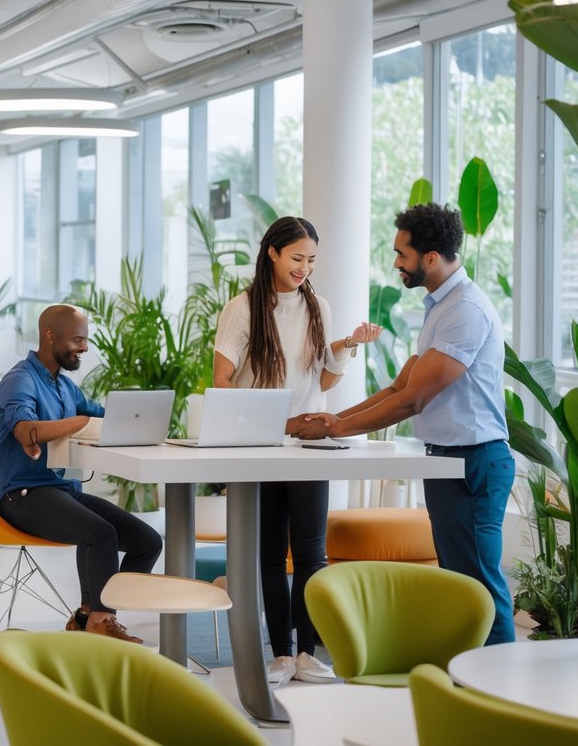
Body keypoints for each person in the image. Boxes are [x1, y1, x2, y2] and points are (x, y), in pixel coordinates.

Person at [290, 202, 516, 646]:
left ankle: (500, 697)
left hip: (474, 464)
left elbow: (413, 400)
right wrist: (336, 417)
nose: (396, 263)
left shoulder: (464, 309)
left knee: (481, 588)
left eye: (402, 254)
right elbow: (398, 387)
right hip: (449, 463)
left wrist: (335, 430)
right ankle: (466, 687)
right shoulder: (441, 305)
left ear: (430, 257)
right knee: (462, 586)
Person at [212, 216, 381, 685]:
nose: (304, 268)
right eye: (297, 258)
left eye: (311, 260)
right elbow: (221, 382)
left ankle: (307, 653)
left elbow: (323, 380)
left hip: (309, 447)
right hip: (260, 448)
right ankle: (281, 654)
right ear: (272, 253)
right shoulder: (242, 309)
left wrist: (345, 346)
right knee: (270, 555)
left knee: (311, 554)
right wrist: (273, 421)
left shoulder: (318, 307)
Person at [0, 304, 163, 643]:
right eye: (78, 339)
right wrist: (79, 422)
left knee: (148, 541)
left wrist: (143, 417)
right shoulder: (19, 379)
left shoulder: (65, 387)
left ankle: (90, 615)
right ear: (50, 335)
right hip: (20, 493)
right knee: (99, 533)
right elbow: (25, 431)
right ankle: (99, 621)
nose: (84, 348)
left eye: (86, 340)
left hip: (58, 489)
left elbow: (102, 416)